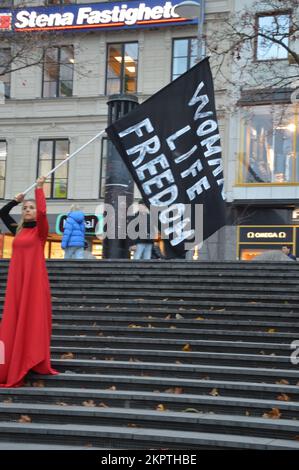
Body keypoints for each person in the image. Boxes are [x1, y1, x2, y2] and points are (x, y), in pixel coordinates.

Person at [0, 176, 58, 388]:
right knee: (12, 321)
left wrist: (40, 189)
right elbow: (2, 214)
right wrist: (15, 201)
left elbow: (43, 213)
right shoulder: (18, 229)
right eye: (25, 207)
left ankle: (30, 359)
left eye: (30, 207)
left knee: (31, 318)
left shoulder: (39, 232)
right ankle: (10, 362)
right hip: (17, 282)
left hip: (33, 283)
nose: (28, 210)